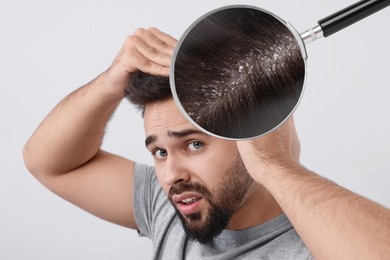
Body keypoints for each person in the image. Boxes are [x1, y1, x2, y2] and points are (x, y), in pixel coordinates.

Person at [23, 27, 390, 259]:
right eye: (159, 151)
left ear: (257, 133)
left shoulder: (316, 245)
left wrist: (277, 165)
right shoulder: (170, 206)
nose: (171, 174)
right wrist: (110, 82)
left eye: (194, 145)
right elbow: (48, 162)